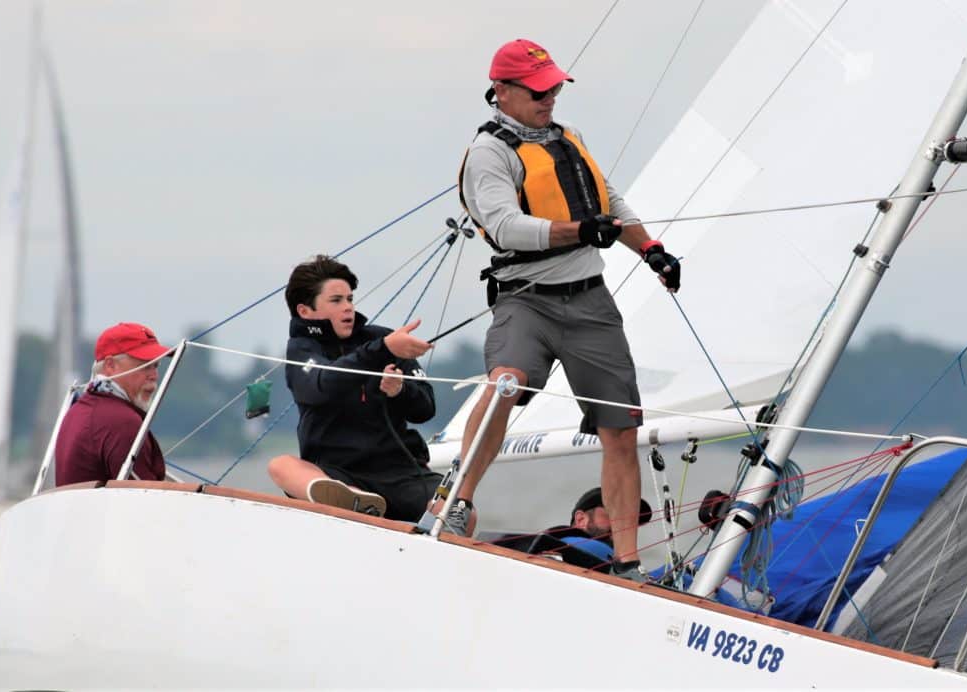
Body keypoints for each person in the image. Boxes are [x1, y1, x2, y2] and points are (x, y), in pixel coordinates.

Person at [451, 39, 680, 582]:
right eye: (538, 90)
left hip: (590, 303)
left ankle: (626, 562)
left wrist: (651, 250)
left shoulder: (567, 136)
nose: (549, 97)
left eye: (554, 86)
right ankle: (458, 501)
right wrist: (579, 230)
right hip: (526, 301)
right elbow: (506, 226)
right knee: (505, 381)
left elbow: (609, 201)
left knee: (621, 429)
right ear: (502, 92)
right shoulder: (489, 154)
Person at [267, 254, 442, 522]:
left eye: (349, 299)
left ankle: (367, 511)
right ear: (305, 311)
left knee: (460, 510)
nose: (348, 307)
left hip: (401, 474)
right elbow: (320, 387)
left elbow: (425, 409)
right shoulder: (302, 350)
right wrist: (381, 351)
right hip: (338, 475)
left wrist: (399, 391)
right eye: (336, 301)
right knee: (280, 466)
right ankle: (352, 502)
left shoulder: (385, 338)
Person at [55, 322, 171, 486]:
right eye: (145, 365)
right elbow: (146, 498)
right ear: (110, 365)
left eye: (156, 365)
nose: (154, 375)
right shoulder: (122, 421)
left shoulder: (77, 410)